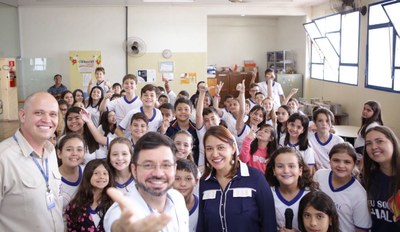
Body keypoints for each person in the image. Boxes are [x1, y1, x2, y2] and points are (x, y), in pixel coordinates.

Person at [0, 91, 63, 231]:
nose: (47, 120)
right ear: (22, 115)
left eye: (53, 114)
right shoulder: (3, 158)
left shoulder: (51, 152)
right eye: (39, 113)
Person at [103, 132, 189, 232]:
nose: (158, 173)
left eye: (166, 165)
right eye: (148, 165)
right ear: (134, 170)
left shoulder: (177, 198)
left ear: (174, 169)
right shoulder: (121, 211)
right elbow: (118, 225)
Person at [197, 126, 277, 232]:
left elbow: (269, 223)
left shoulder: (256, 179)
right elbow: (202, 225)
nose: (215, 154)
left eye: (221, 147)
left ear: (233, 148)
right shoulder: (204, 183)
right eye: (209, 149)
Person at [314, 142, 372, 232]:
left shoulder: (360, 195)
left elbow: (361, 229)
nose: (341, 166)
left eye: (347, 162)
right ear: (329, 160)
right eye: (336, 160)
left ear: (354, 164)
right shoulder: (319, 176)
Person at [265, 147, 319, 231]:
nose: (286, 171)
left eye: (291, 166)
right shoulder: (267, 194)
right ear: (274, 171)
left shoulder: (313, 195)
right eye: (280, 166)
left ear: (300, 170)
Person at [364, 126, 400, 231]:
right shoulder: (367, 179)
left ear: (392, 142)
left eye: (379, 141)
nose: (374, 147)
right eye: (368, 143)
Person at [65, 159, 114, 231]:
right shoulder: (74, 206)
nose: (101, 176)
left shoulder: (114, 204)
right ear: (88, 175)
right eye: (96, 173)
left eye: (105, 173)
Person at [57, 133, 85, 212]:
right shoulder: (52, 178)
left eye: (79, 150)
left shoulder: (89, 173)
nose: (74, 153)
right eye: (69, 149)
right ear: (59, 153)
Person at [173, 159, 199, 232]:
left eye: (188, 179)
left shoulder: (203, 205)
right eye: (177, 179)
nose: (183, 184)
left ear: (196, 181)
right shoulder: (165, 207)